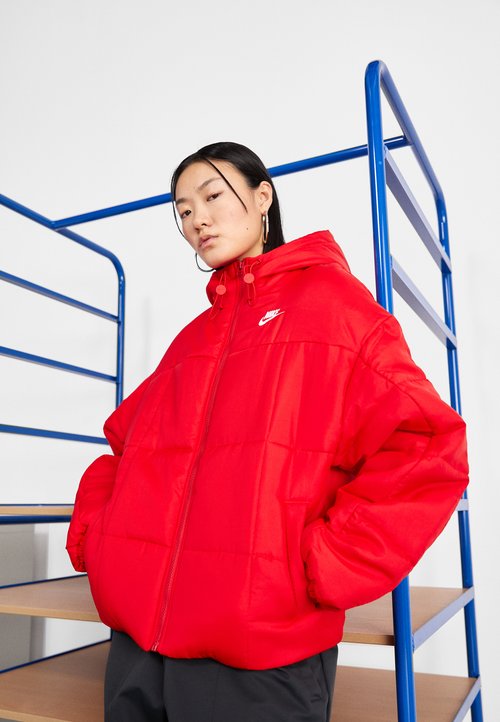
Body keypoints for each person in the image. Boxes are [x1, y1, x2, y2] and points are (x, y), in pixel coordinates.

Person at [66, 141, 469, 721]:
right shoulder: (194, 338)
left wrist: (322, 566)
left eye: (212, 196)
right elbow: (122, 451)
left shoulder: (334, 309)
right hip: (137, 652)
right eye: (183, 210)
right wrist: (100, 540)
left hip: (258, 657)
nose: (197, 220)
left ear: (262, 198)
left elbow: (426, 444)